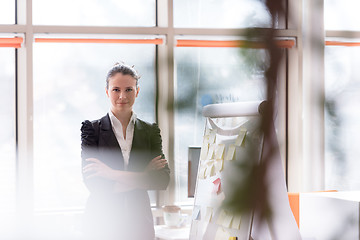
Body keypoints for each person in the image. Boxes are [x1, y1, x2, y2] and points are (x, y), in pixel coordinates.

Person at [80, 63, 170, 240]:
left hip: (140, 225)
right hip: (102, 225)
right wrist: (144, 175)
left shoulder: (150, 131)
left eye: (129, 89)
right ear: (107, 92)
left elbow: (161, 180)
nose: (122, 96)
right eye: (116, 90)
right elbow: (97, 186)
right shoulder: (92, 131)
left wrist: (110, 173)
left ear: (137, 91)